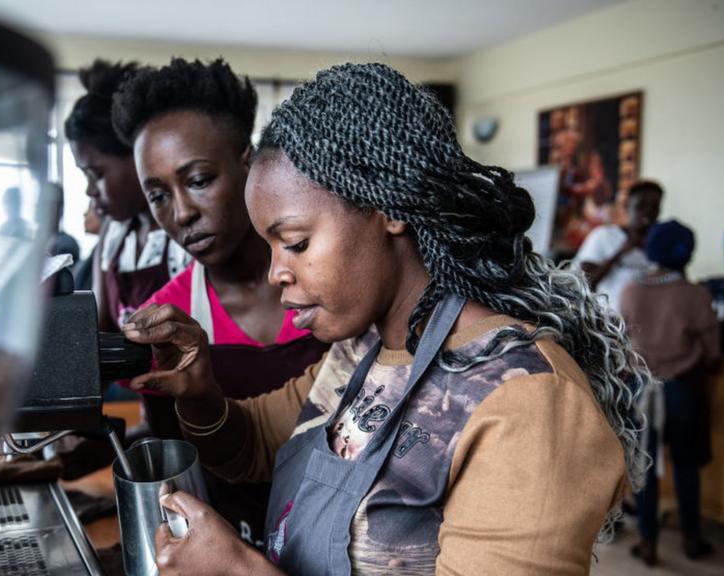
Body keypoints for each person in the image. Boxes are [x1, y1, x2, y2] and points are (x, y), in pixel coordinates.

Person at [121, 63, 654, 575]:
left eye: (296, 243)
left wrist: (240, 571)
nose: (274, 274)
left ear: (390, 208)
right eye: (271, 248)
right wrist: (199, 391)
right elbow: (254, 446)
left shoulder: (528, 402)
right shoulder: (362, 351)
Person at [112, 57, 330, 548]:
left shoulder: (337, 290)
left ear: (248, 164)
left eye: (199, 180)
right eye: (158, 195)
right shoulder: (166, 322)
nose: (182, 212)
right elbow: (175, 466)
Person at [620, 220, 719, 566]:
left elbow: (622, 339)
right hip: (680, 391)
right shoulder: (694, 294)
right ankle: (692, 538)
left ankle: (648, 543)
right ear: (687, 254)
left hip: (642, 391)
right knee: (686, 467)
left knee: (646, 470)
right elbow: (711, 347)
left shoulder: (631, 289)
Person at [63, 59, 189, 330]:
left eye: (96, 174)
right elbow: (99, 330)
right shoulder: (113, 236)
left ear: (138, 156)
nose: (89, 190)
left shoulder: (189, 230)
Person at [574, 180, 663, 314]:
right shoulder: (603, 236)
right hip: (609, 323)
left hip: (648, 324)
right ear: (627, 207)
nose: (647, 212)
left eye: (654, 207)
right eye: (641, 206)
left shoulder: (661, 242)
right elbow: (584, 282)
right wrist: (622, 251)